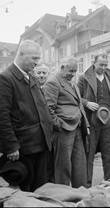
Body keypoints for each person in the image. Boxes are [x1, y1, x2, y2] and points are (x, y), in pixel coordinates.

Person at [0, 40, 53, 192]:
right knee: (24, 193)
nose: (37, 63)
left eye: (38, 58)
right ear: (21, 54)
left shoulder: (32, 78)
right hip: (22, 149)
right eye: (34, 58)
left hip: (40, 144)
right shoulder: (4, 79)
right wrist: (11, 146)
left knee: (39, 189)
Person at [77, 53, 110, 188]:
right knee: (89, 155)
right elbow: (76, 97)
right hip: (91, 122)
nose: (103, 68)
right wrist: (86, 103)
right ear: (94, 63)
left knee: (109, 154)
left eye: (105, 65)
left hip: (109, 123)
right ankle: (86, 186)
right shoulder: (84, 78)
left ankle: (109, 183)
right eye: (100, 65)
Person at [42, 56, 90, 188]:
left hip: (78, 127)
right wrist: (60, 125)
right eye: (71, 71)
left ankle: (80, 193)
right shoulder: (53, 83)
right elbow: (47, 110)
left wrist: (85, 123)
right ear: (62, 68)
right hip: (63, 130)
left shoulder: (71, 81)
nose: (73, 74)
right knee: (63, 166)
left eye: (75, 71)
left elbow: (79, 104)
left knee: (79, 164)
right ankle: (62, 194)